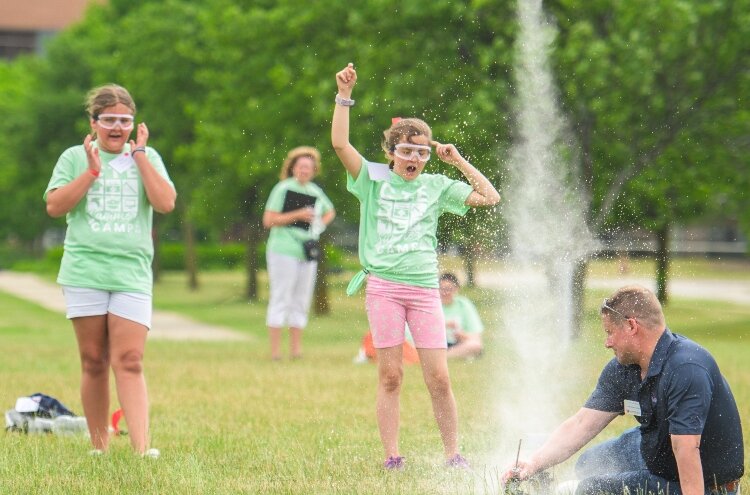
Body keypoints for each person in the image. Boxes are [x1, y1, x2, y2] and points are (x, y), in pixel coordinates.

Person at [332, 63, 501, 470]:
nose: (414, 159)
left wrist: (456, 160)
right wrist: (343, 96)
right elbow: (340, 144)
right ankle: (392, 456)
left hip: (424, 289)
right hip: (385, 288)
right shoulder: (371, 178)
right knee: (391, 376)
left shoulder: (436, 186)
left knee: (439, 378)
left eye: (422, 153)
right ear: (390, 153)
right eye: (406, 151)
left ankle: (452, 454)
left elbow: (489, 197)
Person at [502, 285, 744, 495]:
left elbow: (686, 447)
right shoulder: (624, 367)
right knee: (589, 463)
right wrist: (533, 464)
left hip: (703, 484)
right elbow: (582, 423)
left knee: (590, 488)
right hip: (658, 451)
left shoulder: (686, 368)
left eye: (609, 332)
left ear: (631, 326)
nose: (607, 342)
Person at [44, 84, 176, 457]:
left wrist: (141, 158)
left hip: (131, 273)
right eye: (109, 120)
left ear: (134, 124)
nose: (117, 127)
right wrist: (90, 172)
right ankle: (98, 445)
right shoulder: (74, 156)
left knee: (130, 360)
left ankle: (141, 448)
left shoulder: (146, 156)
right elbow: (55, 206)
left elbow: (165, 202)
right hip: (85, 269)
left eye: (125, 120)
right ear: (94, 123)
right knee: (94, 360)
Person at [262, 146, 335, 360]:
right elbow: (268, 220)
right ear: (293, 167)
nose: (305, 171)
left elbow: (330, 210)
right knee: (281, 296)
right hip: (283, 249)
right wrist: (298, 215)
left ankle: (296, 350)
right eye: (301, 166)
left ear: (314, 171)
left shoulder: (315, 191)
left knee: (301, 300)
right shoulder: (283, 188)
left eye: (309, 168)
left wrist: (319, 224)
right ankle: (275, 352)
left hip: (306, 251)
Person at [439, 273, 485, 359]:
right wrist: (443, 325)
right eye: (442, 289)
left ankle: (444, 357)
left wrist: (462, 335)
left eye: (449, 289)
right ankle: (442, 356)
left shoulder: (464, 305)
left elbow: (476, 336)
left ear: (456, 289)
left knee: (475, 345)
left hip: (457, 344)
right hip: (436, 344)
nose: (445, 292)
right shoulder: (433, 306)